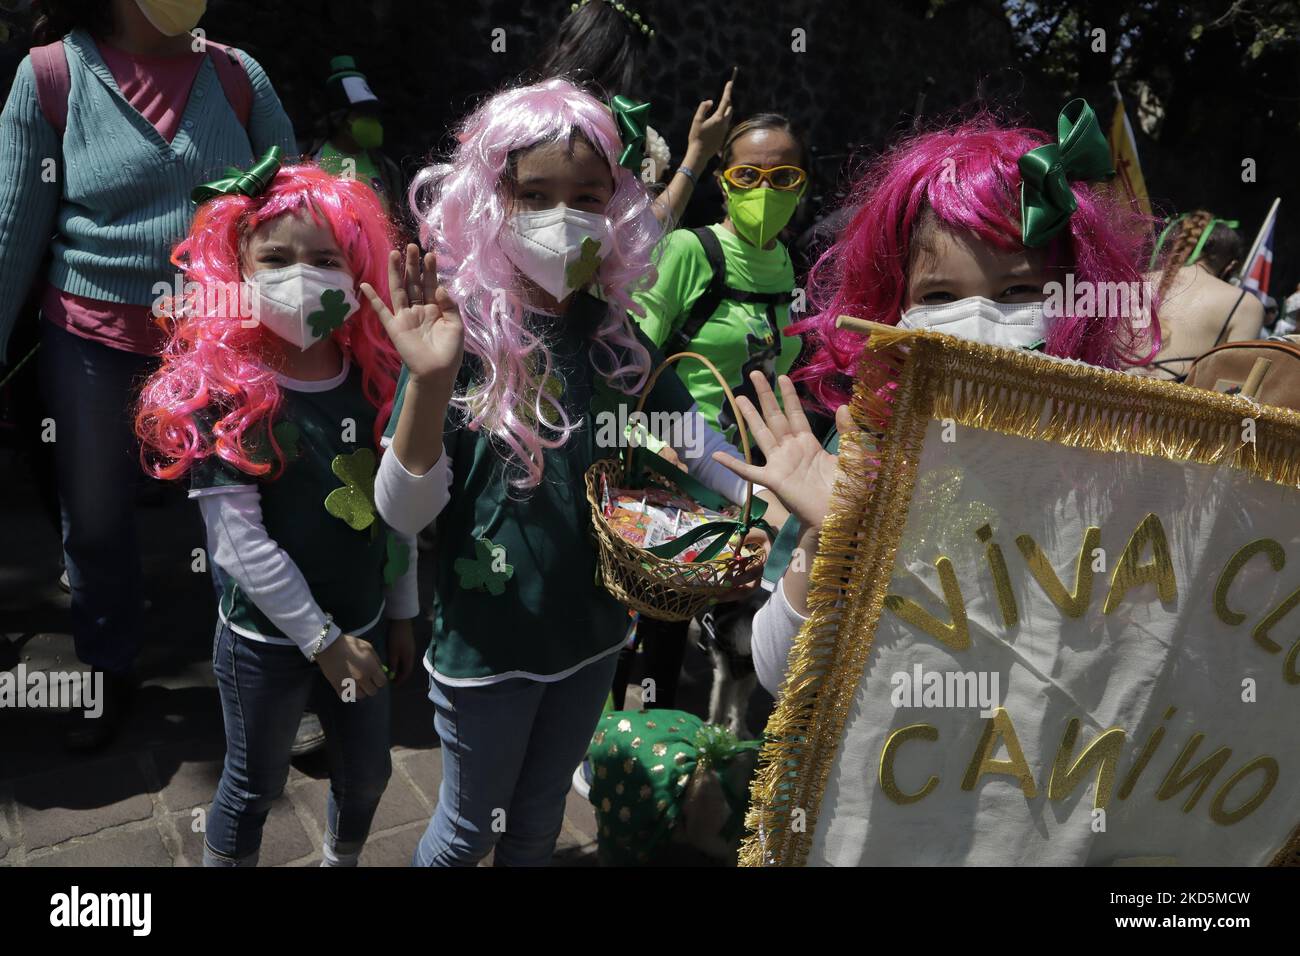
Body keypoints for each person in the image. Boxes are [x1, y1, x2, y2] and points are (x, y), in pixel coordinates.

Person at [363, 78, 758, 866]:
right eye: (534, 195)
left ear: (617, 209)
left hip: (594, 638)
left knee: (540, 822)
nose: (562, 219)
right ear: (487, 203)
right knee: (468, 830)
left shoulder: (614, 338)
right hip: (486, 652)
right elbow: (402, 513)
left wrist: (768, 488)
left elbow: (699, 438)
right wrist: (433, 384)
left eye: (586, 196)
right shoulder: (460, 339)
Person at [717, 103, 1157, 696]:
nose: (978, 319)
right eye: (943, 294)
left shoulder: (1114, 463)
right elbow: (778, 672)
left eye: (1019, 289)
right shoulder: (872, 450)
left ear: (1077, 295)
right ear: (894, 306)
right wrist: (830, 539)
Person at [0, 0, 296, 749]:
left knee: (250, 506)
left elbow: (298, 212)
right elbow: (11, 233)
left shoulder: (236, 74)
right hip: (90, 343)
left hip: (221, 342)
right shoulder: (51, 77)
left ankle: (270, 667)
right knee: (94, 517)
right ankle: (107, 667)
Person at [134, 157, 416, 867]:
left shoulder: (377, 380)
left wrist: (402, 610)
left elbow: (394, 514)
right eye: (276, 257)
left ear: (357, 270)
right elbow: (237, 545)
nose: (302, 275)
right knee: (254, 785)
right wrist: (323, 642)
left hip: (361, 628)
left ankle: (339, 860)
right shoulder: (226, 396)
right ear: (236, 270)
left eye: (325, 258)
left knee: (368, 774)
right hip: (267, 644)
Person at [622, 112, 807, 711]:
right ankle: (630, 759)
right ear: (724, 181)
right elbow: (634, 358)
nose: (764, 190)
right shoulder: (689, 250)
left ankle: (709, 757)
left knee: (741, 628)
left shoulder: (791, 268)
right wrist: (655, 441)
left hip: (754, 483)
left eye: (783, 177)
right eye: (749, 174)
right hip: (679, 472)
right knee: (660, 631)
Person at [533, 0, 734, 227]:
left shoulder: (523, 116)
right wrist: (697, 154)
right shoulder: (628, 129)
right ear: (629, 62)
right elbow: (645, 228)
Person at [1135, 210, 1264, 381]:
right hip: (1176, 405)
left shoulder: (1135, 281)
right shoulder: (1245, 304)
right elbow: (1231, 384)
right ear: (1230, 266)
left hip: (1103, 399)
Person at [306, 54, 405, 217]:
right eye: (363, 114)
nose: (372, 121)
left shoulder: (386, 169)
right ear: (339, 119)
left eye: (374, 114)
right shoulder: (311, 161)